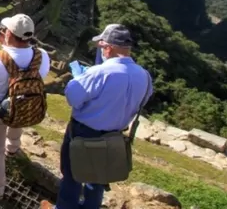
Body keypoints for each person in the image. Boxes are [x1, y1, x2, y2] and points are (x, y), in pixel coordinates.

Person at [42, 25, 153, 209]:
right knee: (98, 179)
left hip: (84, 132)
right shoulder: (145, 76)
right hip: (114, 136)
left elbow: (72, 97)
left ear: (108, 48)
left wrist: (79, 79)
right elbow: (142, 100)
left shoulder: (100, 72)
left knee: (72, 174)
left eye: (101, 46)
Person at [0, 14, 50, 199]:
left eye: (5, 30)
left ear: (9, 35)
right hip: (24, 104)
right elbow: (42, 75)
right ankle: (13, 147)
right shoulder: (41, 56)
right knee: (18, 114)